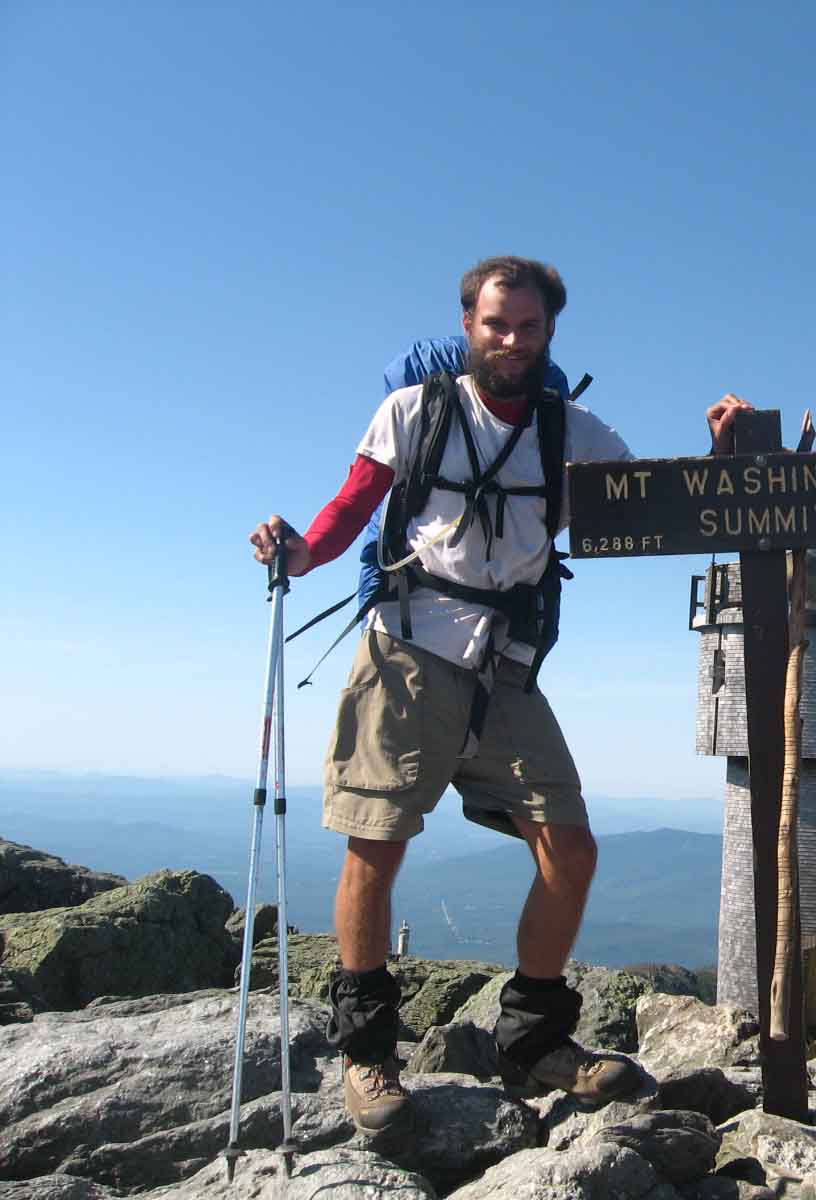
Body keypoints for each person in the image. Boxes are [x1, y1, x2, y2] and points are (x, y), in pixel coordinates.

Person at [249, 256, 642, 1139]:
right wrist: (299, 553)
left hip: (505, 665)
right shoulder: (414, 411)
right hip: (408, 652)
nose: (512, 340)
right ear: (469, 323)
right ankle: (367, 1052)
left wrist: (728, 454)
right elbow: (352, 506)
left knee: (569, 849)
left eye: (529, 327)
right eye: (497, 324)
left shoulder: (571, 428)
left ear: (549, 334)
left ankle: (536, 1042)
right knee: (376, 848)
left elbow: (648, 500)